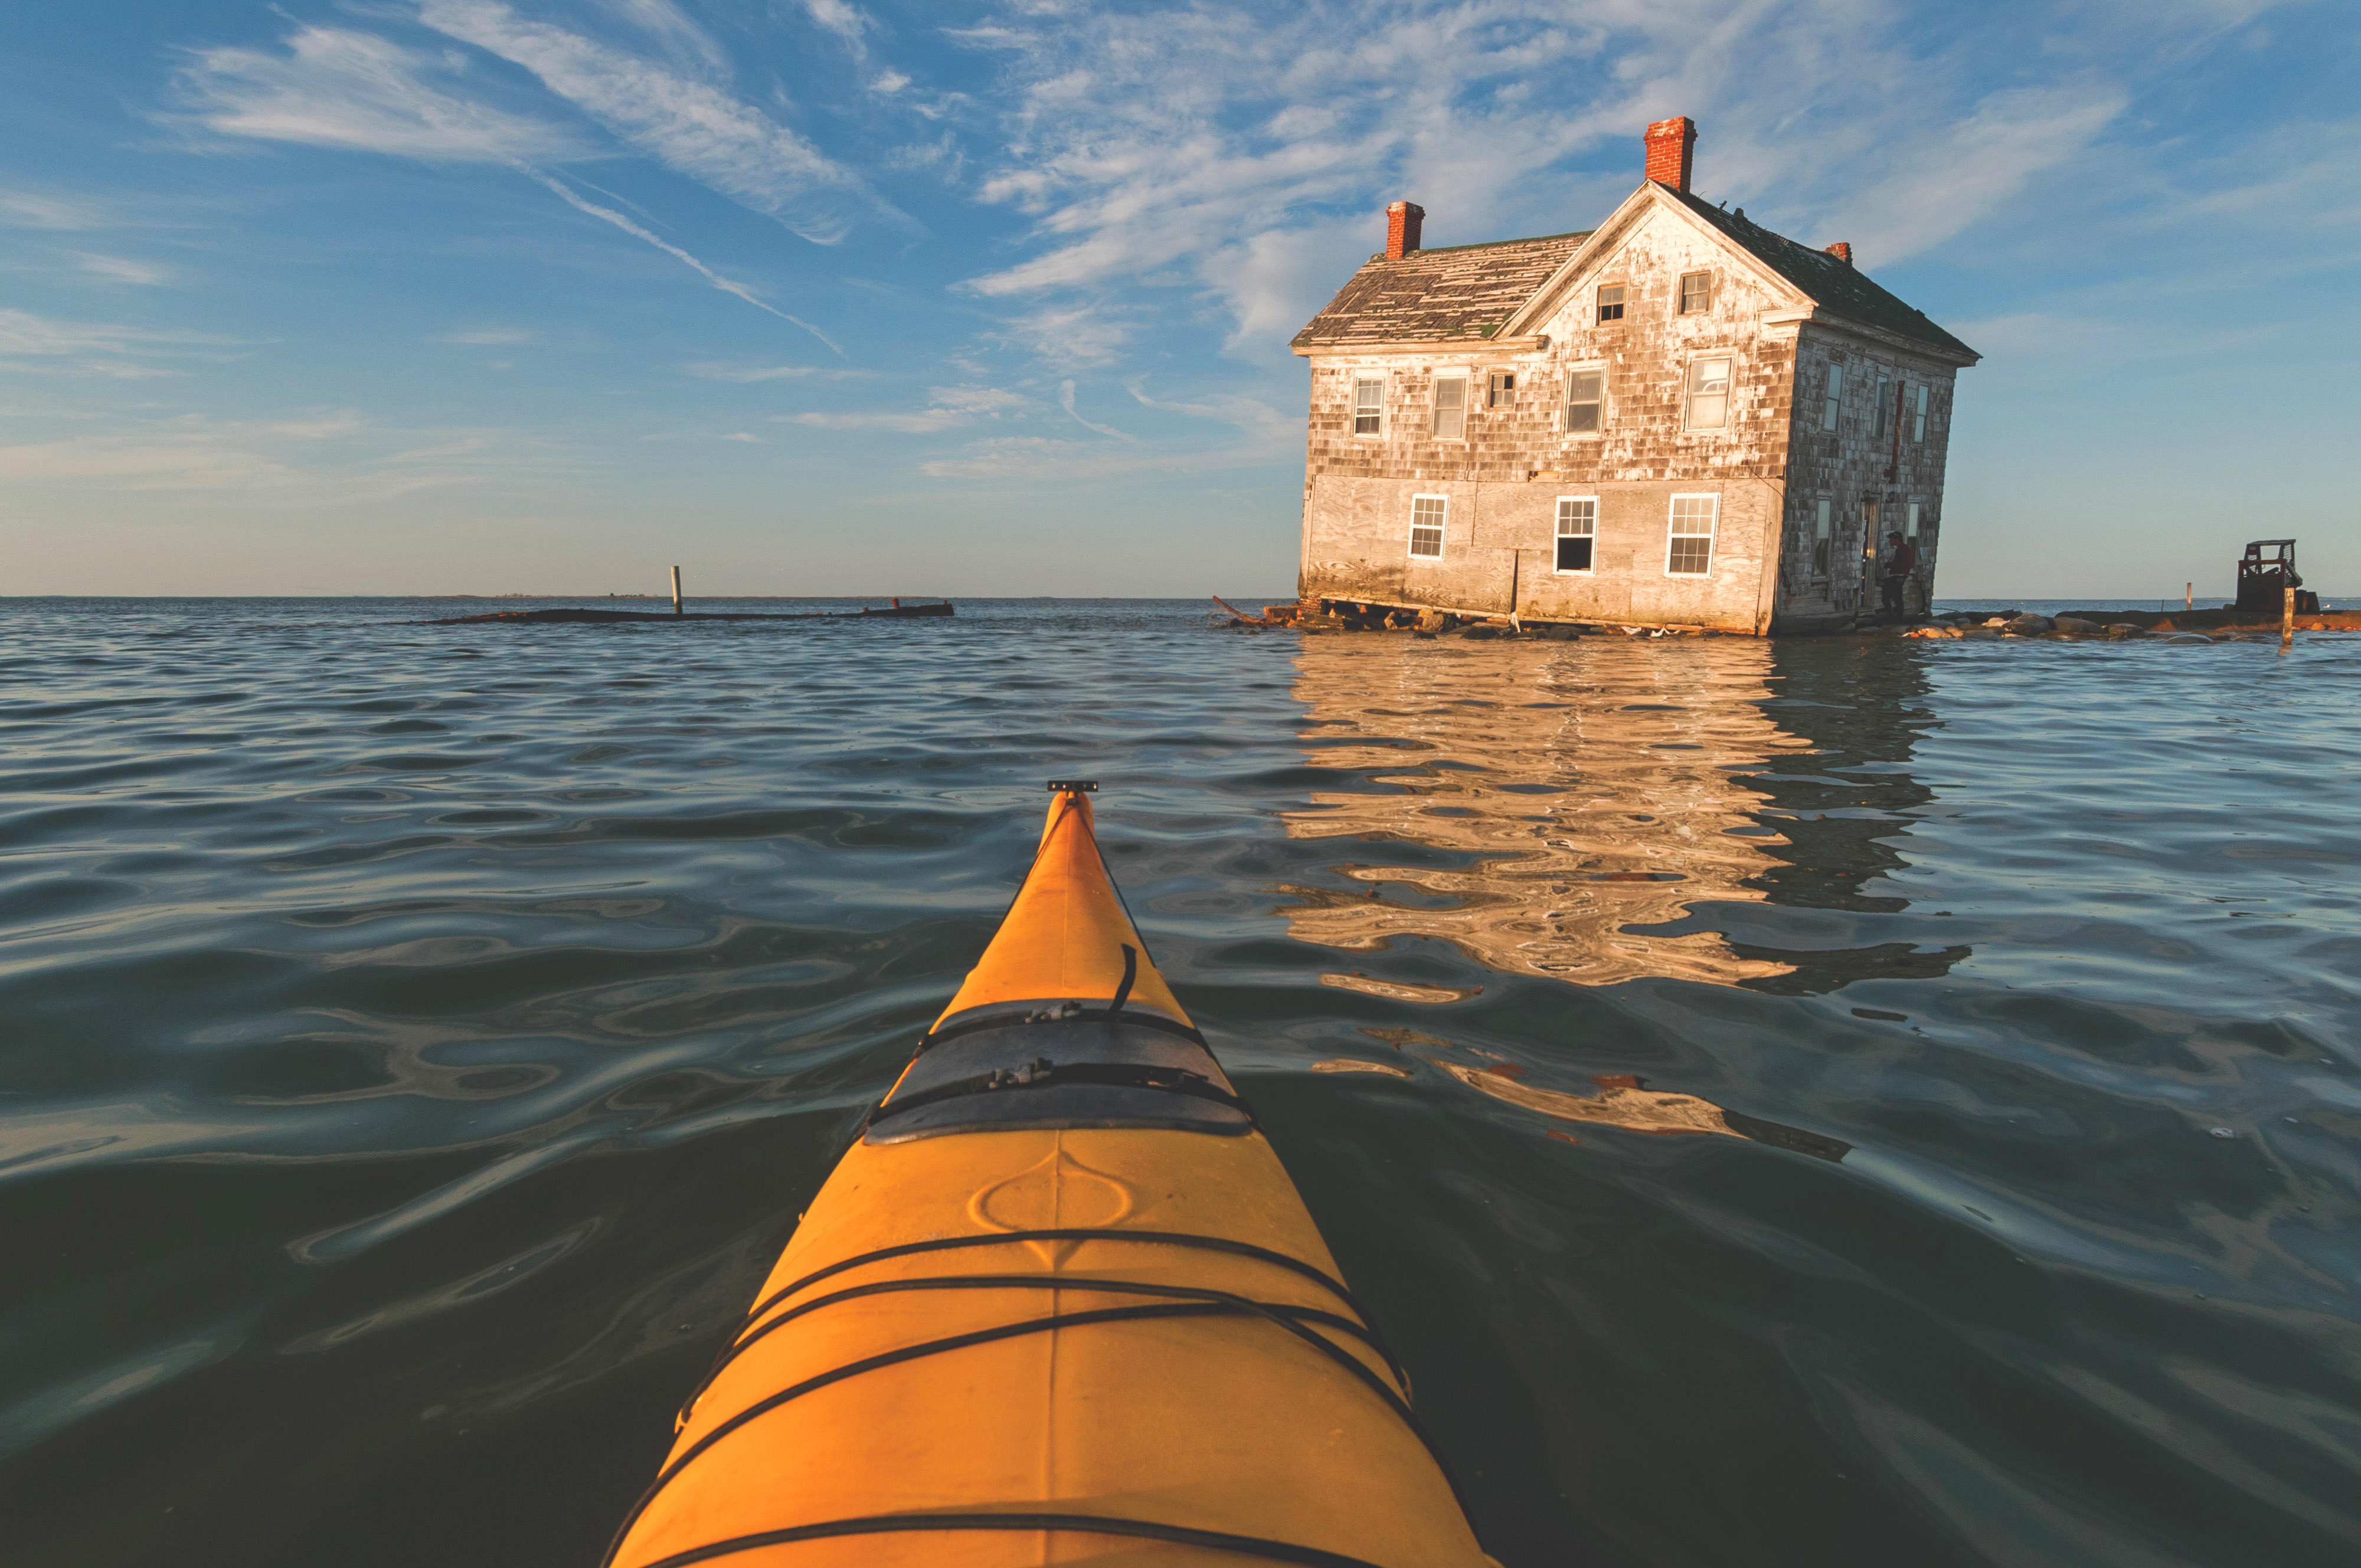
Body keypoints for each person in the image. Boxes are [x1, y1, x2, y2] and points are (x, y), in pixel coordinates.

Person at [1880, 531, 1916, 616]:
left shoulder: (1903, 549)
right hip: (1899, 575)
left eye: (1891, 539)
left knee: (1891, 598)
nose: (1890, 541)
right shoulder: (1902, 549)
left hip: (1899, 576)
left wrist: (1890, 565)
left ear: (1897, 539)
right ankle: (1895, 617)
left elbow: (1901, 563)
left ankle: (1894, 618)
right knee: (1896, 597)